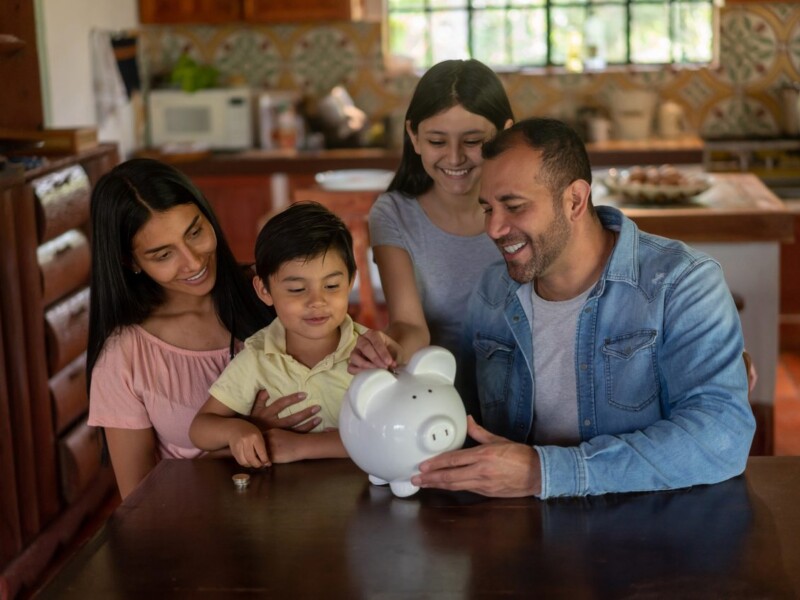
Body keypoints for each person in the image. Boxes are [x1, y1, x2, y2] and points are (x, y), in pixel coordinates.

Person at [411, 117, 755, 498]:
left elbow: (722, 438)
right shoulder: (493, 290)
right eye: (488, 208)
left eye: (513, 206)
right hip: (516, 535)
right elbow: (458, 417)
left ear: (574, 199)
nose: (493, 228)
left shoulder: (682, 283)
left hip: (651, 530)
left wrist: (542, 473)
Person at [87, 158, 314, 499]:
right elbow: (139, 502)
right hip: (203, 533)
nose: (193, 261)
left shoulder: (270, 295)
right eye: (163, 254)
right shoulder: (125, 356)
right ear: (130, 261)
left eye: (194, 232)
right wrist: (249, 432)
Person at [348, 59, 514, 372]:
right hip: (439, 394)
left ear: (506, 133)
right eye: (437, 141)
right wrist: (389, 349)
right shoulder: (394, 214)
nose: (454, 157)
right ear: (414, 136)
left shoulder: (526, 205)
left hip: (526, 391)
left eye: (473, 141)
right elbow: (409, 325)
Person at [189, 202, 368, 467]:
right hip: (279, 502)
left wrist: (303, 446)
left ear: (351, 281)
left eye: (331, 285)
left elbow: (393, 436)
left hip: (364, 501)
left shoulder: (368, 353)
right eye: (297, 289)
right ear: (264, 291)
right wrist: (236, 429)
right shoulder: (258, 357)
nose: (316, 301)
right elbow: (200, 429)